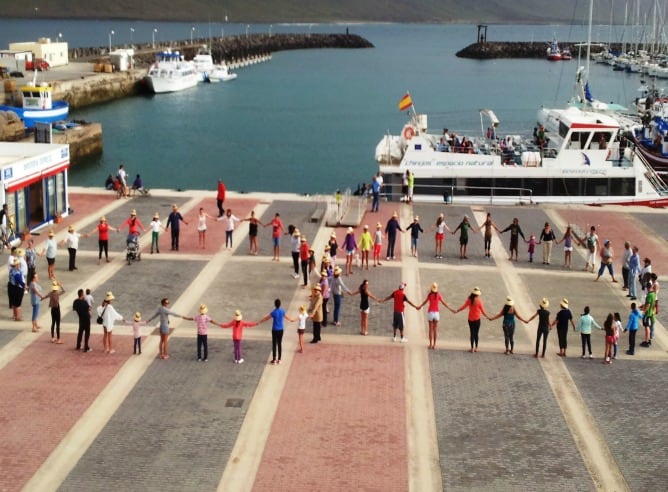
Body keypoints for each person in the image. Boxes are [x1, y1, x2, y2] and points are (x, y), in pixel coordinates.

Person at [418, 282, 454, 349]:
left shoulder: (429, 295)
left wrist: (419, 307)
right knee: (435, 330)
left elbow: (425, 302)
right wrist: (451, 309)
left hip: (430, 313)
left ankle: (430, 344)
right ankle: (434, 345)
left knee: (430, 329)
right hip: (436, 313)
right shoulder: (439, 295)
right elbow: (444, 303)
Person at [259, 298, 295, 364]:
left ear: (275, 304)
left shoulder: (274, 312)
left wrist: (260, 321)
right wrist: (291, 320)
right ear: (280, 304)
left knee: (274, 344)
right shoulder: (282, 311)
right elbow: (287, 317)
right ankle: (279, 359)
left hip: (274, 329)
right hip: (281, 329)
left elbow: (267, 318)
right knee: (279, 344)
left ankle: (274, 359)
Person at [455, 286, 490, 352]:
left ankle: (472, 348)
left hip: (470, 319)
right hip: (477, 319)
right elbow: (483, 310)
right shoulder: (479, 300)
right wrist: (488, 317)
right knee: (476, 333)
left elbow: (464, 306)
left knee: (472, 333)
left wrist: (457, 310)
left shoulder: (469, 299)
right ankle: (476, 347)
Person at [639, 282, 656, 348]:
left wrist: (643, 311)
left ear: (647, 288)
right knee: (648, 327)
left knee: (646, 328)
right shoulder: (653, 294)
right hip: (651, 313)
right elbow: (653, 304)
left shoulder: (649, 295)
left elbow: (648, 305)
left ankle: (646, 341)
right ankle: (648, 340)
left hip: (647, 313)